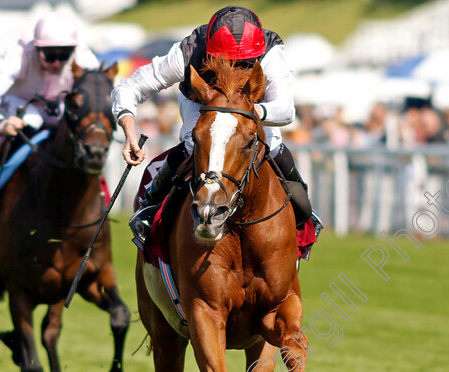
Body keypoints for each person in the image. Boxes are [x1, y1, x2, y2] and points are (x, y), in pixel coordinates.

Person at [112, 5, 322, 244]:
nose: (235, 70)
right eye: (227, 61)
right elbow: (129, 87)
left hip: (250, 106)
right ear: (211, 51)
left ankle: (304, 215)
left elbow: (285, 110)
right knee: (194, 141)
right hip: (200, 101)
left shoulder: (271, 51)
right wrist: (130, 131)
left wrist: (242, 113)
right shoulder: (188, 50)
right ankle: (150, 208)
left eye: (243, 64)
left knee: (272, 143)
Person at [0, 11, 100, 202]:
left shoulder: (84, 57)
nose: (57, 62)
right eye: (50, 55)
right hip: (18, 101)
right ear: (36, 48)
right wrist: (0, 123)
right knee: (33, 119)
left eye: (64, 55)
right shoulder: (17, 55)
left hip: (59, 104)